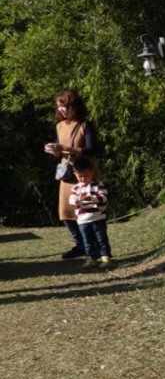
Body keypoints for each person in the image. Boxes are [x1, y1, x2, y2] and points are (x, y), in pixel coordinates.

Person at [43, 89, 102, 259]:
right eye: (59, 107)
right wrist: (53, 150)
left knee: (87, 210)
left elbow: (91, 149)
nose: (62, 110)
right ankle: (81, 244)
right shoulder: (59, 126)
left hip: (85, 173)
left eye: (65, 107)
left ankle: (95, 245)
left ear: (74, 106)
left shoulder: (85, 125)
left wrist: (66, 148)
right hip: (67, 173)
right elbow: (59, 148)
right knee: (66, 212)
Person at [69, 156, 112, 269]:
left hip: (97, 218)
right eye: (80, 176)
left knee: (101, 239)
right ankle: (91, 259)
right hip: (83, 220)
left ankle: (105, 257)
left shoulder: (98, 184)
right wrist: (76, 200)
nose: (83, 178)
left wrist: (92, 199)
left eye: (86, 175)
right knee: (87, 241)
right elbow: (71, 200)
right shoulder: (75, 188)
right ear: (75, 174)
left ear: (92, 172)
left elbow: (104, 197)